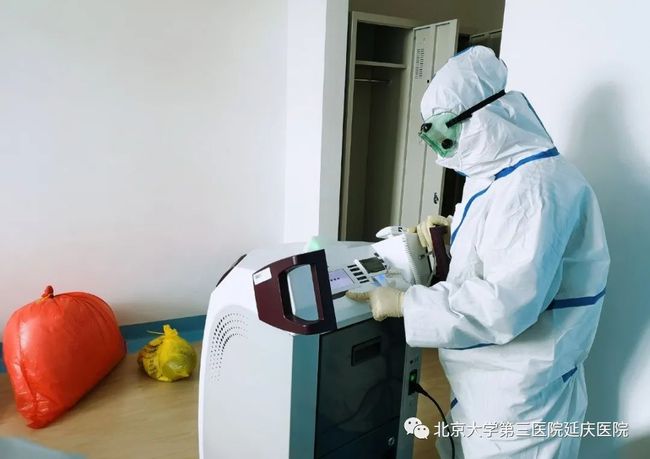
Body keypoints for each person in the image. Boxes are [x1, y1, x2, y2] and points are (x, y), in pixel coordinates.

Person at [348, 46, 610, 458]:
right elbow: (504, 248)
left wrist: (407, 303)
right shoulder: (497, 171)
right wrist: (452, 232)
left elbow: (504, 304)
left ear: (482, 118)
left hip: (521, 399)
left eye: (442, 132)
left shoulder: (534, 189)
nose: (440, 149)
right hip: (490, 381)